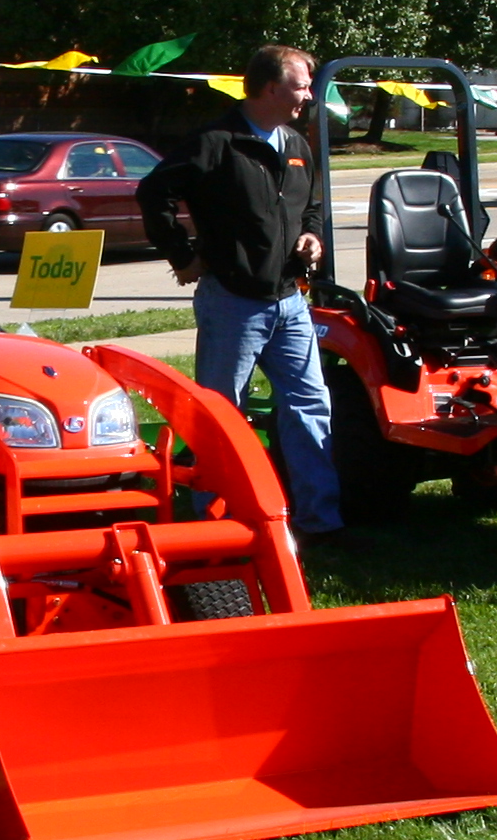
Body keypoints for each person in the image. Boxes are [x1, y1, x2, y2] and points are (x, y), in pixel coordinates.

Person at [138, 44, 346, 543]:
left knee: (309, 404)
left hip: (289, 301)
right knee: (221, 414)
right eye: (300, 86)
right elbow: (154, 193)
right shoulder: (215, 142)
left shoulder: (296, 144)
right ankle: (215, 526)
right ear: (271, 88)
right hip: (233, 302)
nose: (308, 96)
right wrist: (183, 256)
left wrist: (312, 235)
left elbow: (309, 206)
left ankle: (320, 522)